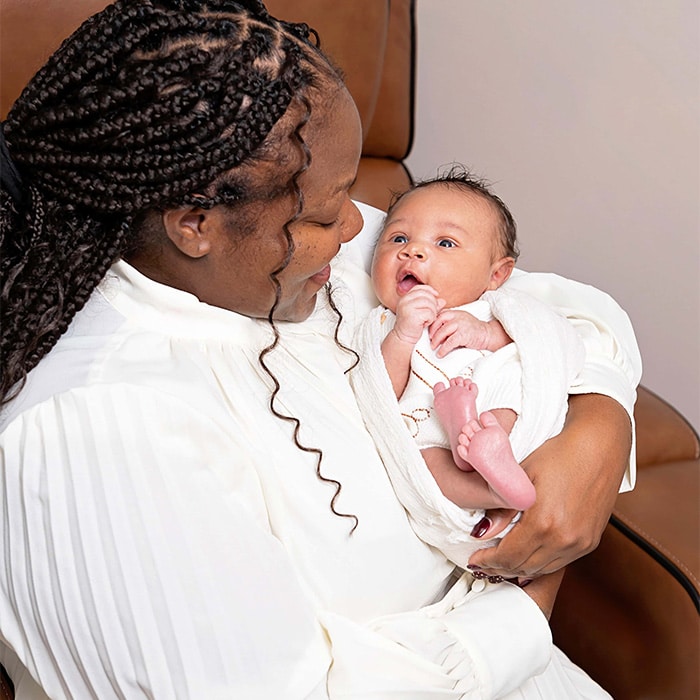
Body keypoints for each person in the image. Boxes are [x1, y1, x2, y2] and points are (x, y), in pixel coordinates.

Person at [0, 1, 640, 698]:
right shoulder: (96, 432)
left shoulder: (294, 245)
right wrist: (530, 600)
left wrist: (600, 423)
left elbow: (562, 309)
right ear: (193, 222)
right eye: (327, 213)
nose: (358, 231)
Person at [351, 171, 587, 565]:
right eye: (398, 239)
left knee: (506, 392)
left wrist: (487, 333)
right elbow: (378, 390)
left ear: (496, 275)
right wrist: (403, 336)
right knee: (427, 464)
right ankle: (494, 489)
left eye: (445, 243)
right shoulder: (379, 324)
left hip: (491, 401)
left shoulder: (494, 309)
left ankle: (487, 445)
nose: (413, 252)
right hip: (431, 428)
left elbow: (548, 342)